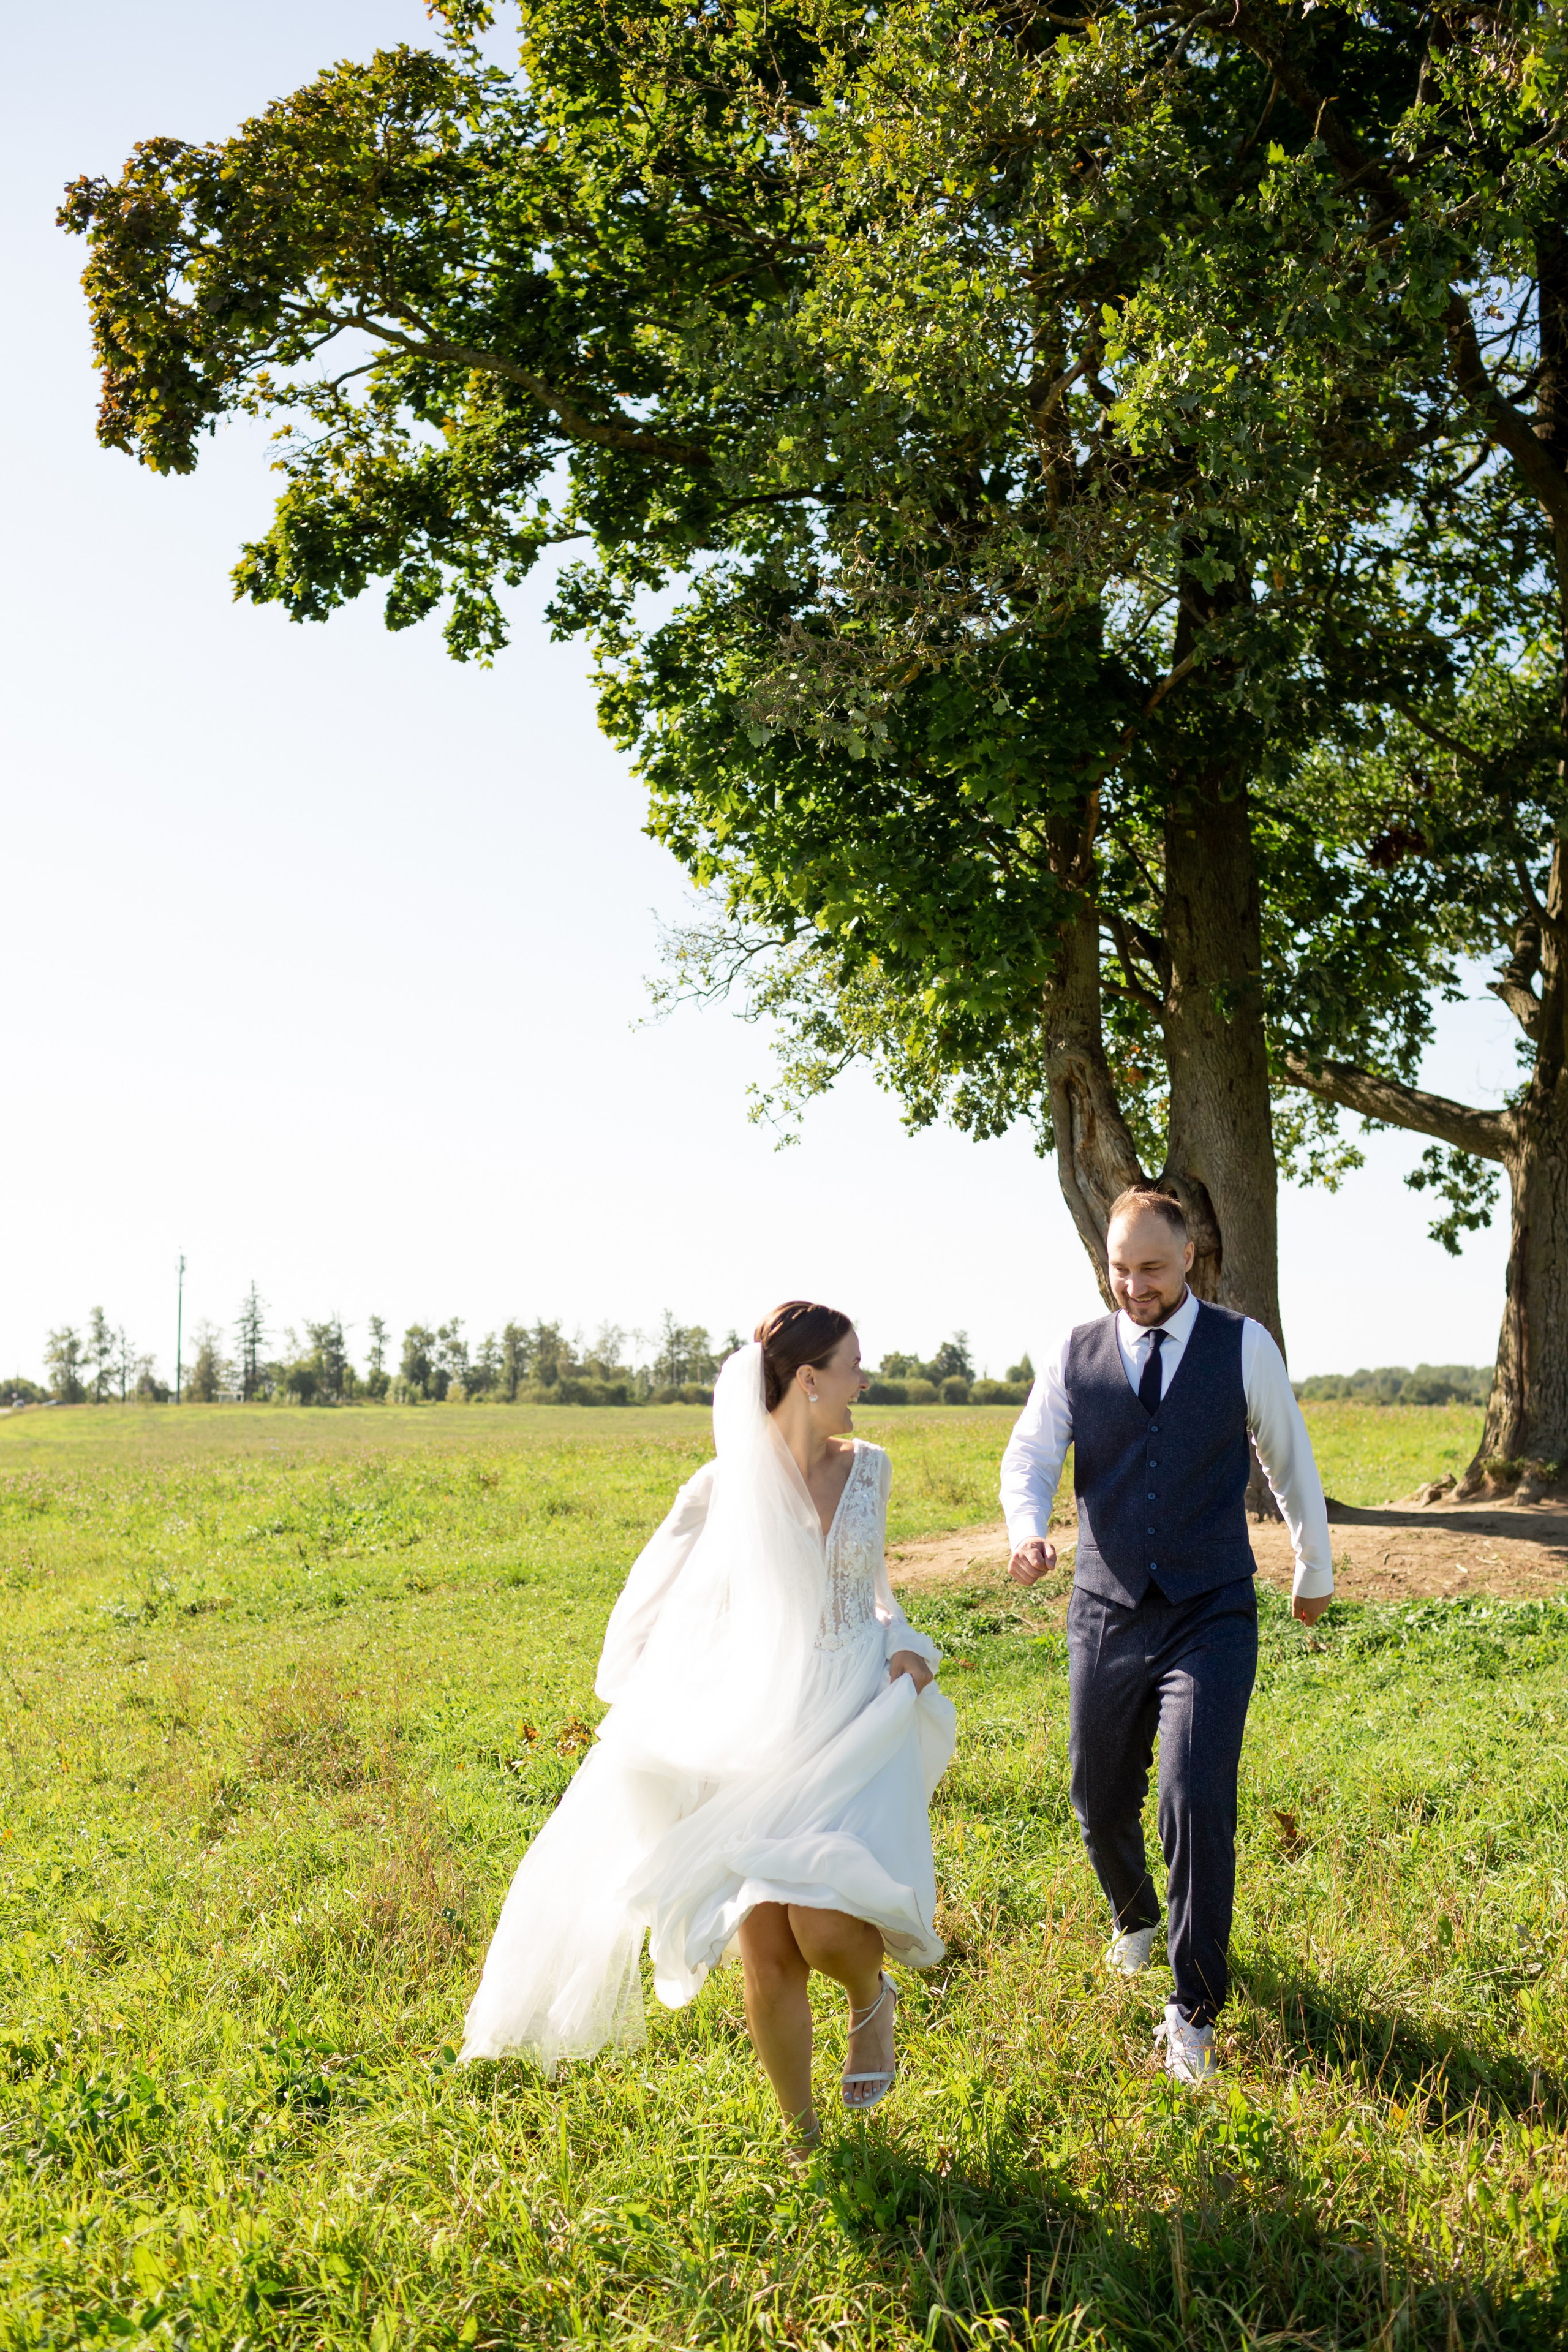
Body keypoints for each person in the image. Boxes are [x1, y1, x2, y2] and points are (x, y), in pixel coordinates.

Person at [461, 1301, 956, 2162]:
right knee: (767, 1944)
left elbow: (875, 1592)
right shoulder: (718, 1488)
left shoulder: (870, 1470)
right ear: (807, 1379)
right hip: (757, 1730)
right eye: (850, 1367)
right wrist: (666, 1706)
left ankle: (871, 2000)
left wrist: (909, 1647)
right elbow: (648, 1609)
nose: (862, 1383)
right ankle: (804, 2137)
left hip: (849, 1717)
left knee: (827, 1925)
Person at [1001, 1187, 1332, 2084]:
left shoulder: (1242, 1345)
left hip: (1211, 1608)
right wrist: (1026, 1525)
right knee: (1097, 1793)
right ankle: (1137, 1917)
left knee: (1193, 1797)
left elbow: (1286, 1456)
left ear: (1191, 1258)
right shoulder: (1076, 1350)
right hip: (1105, 1606)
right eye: (1120, 1268)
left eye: (1150, 1267)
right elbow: (1031, 1453)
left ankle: (1193, 2008)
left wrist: (1314, 1566)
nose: (1134, 1285)